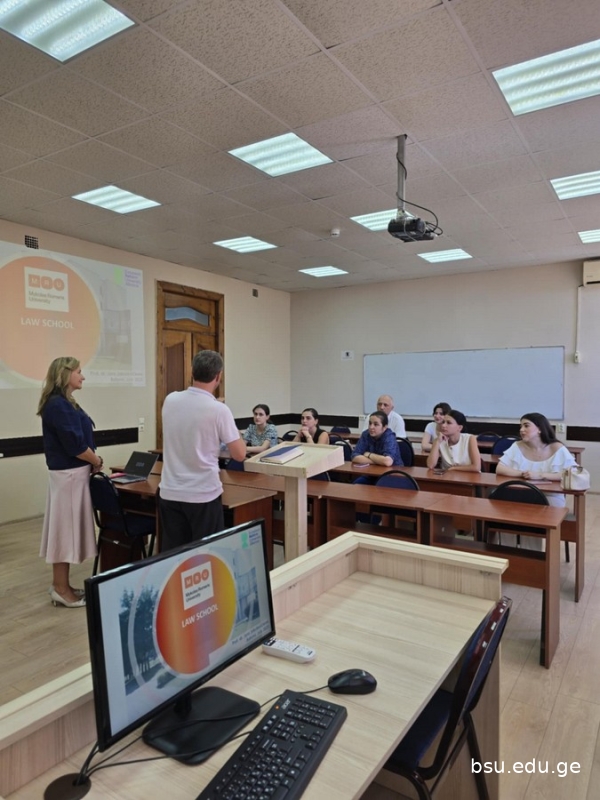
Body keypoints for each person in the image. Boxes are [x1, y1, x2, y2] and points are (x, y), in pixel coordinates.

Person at [159, 350, 246, 551]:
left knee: (175, 556)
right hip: (202, 494)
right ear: (218, 376)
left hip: (170, 491)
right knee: (206, 556)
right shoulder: (219, 410)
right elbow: (239, 454)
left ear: (192, 372)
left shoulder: (170, 400)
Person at [38, 356, 102, 608]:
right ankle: (61, 589)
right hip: (69, 477)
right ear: (65, 374)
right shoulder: (58, 405)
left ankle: (61, 584)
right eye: (78, 371)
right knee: (65, 534)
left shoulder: (64, 402)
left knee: (65, 532)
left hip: (71, 477)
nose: (82, 376)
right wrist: (95, 459)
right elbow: (74, 445)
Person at [496, 412, 576, 507]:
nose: (521, 430)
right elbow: (500, 468)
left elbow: (572, 474)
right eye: (521, 426)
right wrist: (523, 474)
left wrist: (540, 475)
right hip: (520, 492)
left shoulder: (557, 447)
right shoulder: (517, 446)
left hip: (549, 495)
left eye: (526, 426)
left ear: (540, 429)